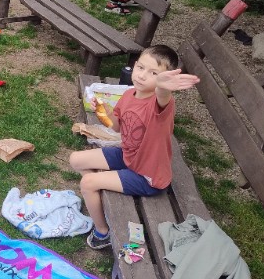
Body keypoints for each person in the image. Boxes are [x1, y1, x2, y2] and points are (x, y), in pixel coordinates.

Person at [69, 45, 199, 249]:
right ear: (135, 65)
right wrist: (104, 112)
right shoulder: (130, 95)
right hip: (128, 155)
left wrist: (163, 87)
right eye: (141, 67)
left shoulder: (160, 104)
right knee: (75, 159)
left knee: (88, 182)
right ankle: (100, 198)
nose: (143, 75)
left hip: (148, 176)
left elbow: (163, 96)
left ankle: (103, 233)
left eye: (154, 73)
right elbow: (117, 126)